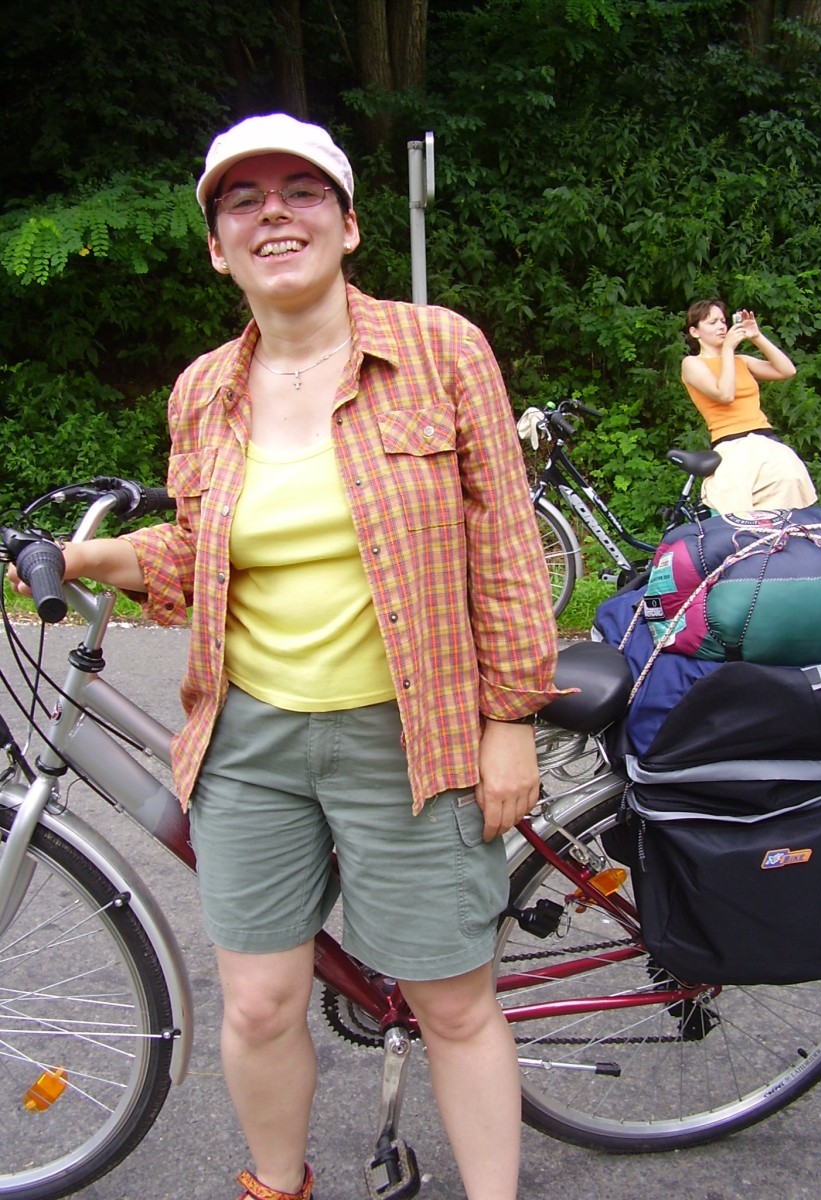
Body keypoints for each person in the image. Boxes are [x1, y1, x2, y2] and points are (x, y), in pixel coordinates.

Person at [10, 113, 561, 1200]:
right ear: (219, 247)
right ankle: (277, 1187)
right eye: (242, 199)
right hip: (250, 739)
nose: (273, 214)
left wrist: (510, 724)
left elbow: (504, 544)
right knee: (260, 1002)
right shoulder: (202, 390)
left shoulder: (442, 349)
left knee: (452, 1003)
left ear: (348, 226)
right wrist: (94, 555)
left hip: (414, 735)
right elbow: (202, 550)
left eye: (301, 192)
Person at [680, 298, 817, 513]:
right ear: (695, 332)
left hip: (764, 439)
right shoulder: (692, 363)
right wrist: (727, 350)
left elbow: (787, 371)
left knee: (789, 495)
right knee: (739, 510)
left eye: (723, 321)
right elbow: (725, 394)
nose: (721, 327)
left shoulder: (741, 360)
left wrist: (756, 336)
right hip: (731, 443)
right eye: (712, 322)